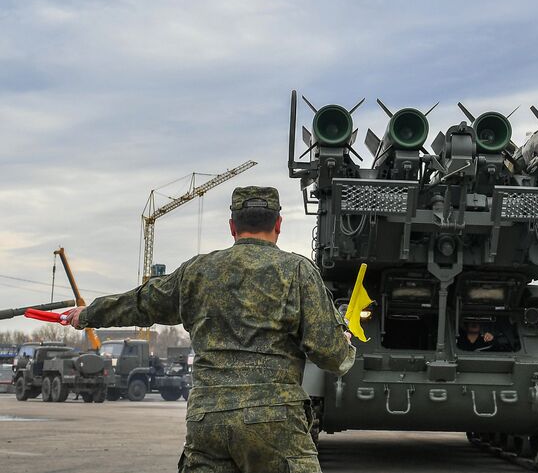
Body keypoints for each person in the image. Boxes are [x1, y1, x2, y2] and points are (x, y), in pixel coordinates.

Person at [66, 186, 356, 473]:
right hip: (274, 420)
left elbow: (141, 302)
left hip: (208, 420)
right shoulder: (298, 271)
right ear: (278, 224)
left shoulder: (197, 271)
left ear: (232, 227)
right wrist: (343, 342)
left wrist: (87, 314)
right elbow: (330, 354)